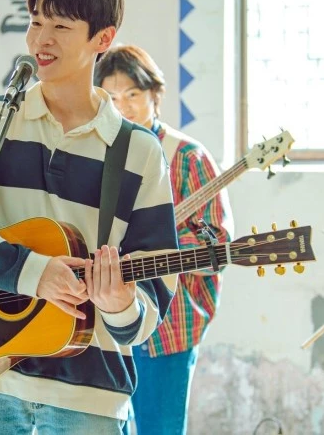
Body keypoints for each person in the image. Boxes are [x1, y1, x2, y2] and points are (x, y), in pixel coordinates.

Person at [0, 0, 179, 434]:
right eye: (36, 21)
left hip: (90, 395)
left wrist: (119, 302)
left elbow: (152, 304)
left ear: (103, 38)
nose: (41, 39)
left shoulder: (139, 153)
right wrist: (31, 273)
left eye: (60, 26)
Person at [95, 45, 234, 435]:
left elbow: (217, 248)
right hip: (99, 328)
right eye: (111, 98)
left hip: (167, 327)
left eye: (133, 94)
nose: (123, 107)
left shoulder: (187, 157)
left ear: (154, 94)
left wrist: (156, 248)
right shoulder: (94, 153)